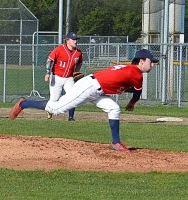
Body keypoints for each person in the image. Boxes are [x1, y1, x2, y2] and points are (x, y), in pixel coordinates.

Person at [9, 49, 159, 152]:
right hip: (90, 87)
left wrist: (125, 89)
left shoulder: (128, 69)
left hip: (95, 88)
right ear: (141, 61)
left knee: (114, 108)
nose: (152, 64)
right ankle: (24, 103)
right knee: (56, 109)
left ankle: (116, 143)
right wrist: (132, 103)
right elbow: (137, 95)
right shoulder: (136, 74)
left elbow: (116, 82)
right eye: (150, 61)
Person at [45, 31, 83, 121]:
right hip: (56, 77)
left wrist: (76, 73)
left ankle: (71, 117)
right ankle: (50, 111)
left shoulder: (78, 53)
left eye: (76, 39)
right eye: (73, 39)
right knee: (54, 99)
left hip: (69, 78)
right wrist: (47, 73)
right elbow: (49, 60)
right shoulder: (59, 49)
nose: (75, 41)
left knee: (74, 96)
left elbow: (79, 63)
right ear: (67, 41)